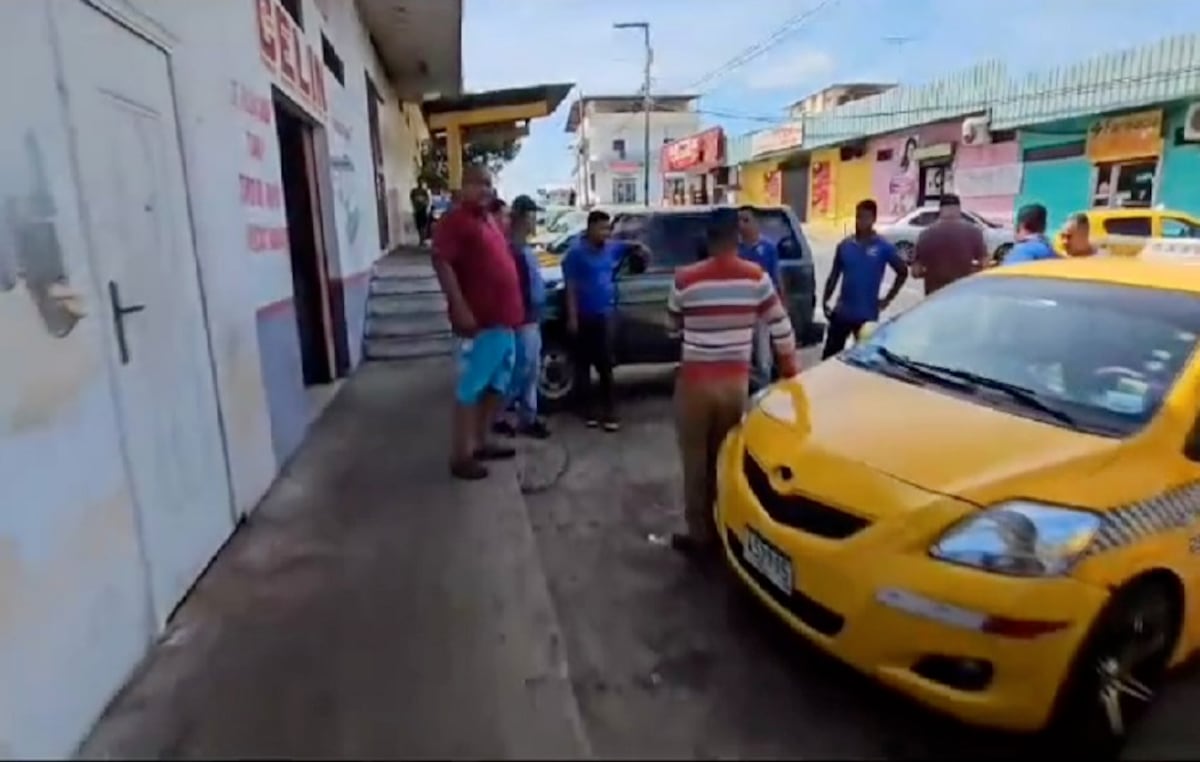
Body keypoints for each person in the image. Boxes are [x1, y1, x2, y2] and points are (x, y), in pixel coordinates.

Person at [666, 207, 799, 561]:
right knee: (725, 459)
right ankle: (726, 529)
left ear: (707, 239)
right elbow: (781, 326)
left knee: (695, 462)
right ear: (737, 238)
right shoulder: (756, 278)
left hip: (694, 385)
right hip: (734, 385)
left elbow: (672, 326)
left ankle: (700, 536)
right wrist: (790, 370)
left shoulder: (684, 279)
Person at [430, 165, 524, 480]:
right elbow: (441, 261)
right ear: (464, 186)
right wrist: (458, 306)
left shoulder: (487, 220)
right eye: (478, 183)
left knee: (498, 385)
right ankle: (461, 456)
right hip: (482, 322)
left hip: (505, 320)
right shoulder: (455, 221)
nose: (485, 189)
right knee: (472, 387)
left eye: (488, 184)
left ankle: (481, 441)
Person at [561, 210, 644, 431]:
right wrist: (572, 317)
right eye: (601, 229)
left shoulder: (610, 247)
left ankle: (610, 412)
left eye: (608, 229)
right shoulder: (575, 254)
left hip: (605, 316)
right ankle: (587, 411)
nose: (606, 233)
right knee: (583, 366)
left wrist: (641, 248)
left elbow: (630, 246)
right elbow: (570, 287)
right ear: (590, 228)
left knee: (606, 365)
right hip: (584, 316)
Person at [493, 194, 551, 439]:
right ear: (523, 217)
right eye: (532, 216)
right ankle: (497, 414)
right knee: (520, 369)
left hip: (532, 317)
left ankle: (528, 417)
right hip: (521, 319)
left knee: (531, 371)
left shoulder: (523, 247)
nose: (534, 221)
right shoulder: (512, 249)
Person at [821, 199, 909, 359]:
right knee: (829, 357)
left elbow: (902, 272)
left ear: (873, 219)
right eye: (858, 217)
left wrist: (887, 299)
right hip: (843, 313)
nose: (861, 222)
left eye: (866, 218)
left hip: (867, 316)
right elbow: (834, 275)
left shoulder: (883, 247)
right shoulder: (845, 246)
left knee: (865, 359)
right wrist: (825, 300)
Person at [736, 206, 785, 391]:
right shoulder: (736, 250)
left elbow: (776, 277)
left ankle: (765, 390)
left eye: (746, 220)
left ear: (755, 223)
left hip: (763, 309)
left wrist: (781, 304)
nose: (742, 224)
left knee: (764, 355)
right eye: (739, 221)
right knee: (743, 355)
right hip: (743, 310)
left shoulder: (768, 248)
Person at [911, 193, 987, 296]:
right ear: (958, 209)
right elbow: (984, 264)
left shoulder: (925, 234)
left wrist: (932, 272)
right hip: (963, 295)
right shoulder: (974, 232)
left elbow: (915, 272)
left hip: (935, 296)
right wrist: (968, 270)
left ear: (940, 210)